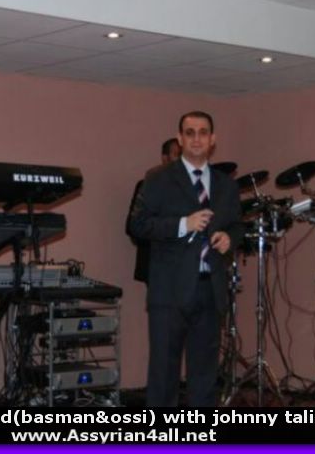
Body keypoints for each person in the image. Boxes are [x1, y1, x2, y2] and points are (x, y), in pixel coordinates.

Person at [128, 111, 243, 407]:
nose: (196, 139)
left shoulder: (226, 185)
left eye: (203, 132)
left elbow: (237, 225)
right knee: (164, 376)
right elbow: (138, 225)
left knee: (205, 378)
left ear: (212, 139)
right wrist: (183, 224)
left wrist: (230, 238)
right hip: (169, 291)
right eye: (190, 133)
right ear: (180, 139)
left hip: (210, 290)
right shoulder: (158, 178)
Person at [126, 138, 181, 284]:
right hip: (157, 265)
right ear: (165, 158)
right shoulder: (148, 185)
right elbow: (132, 228)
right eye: (177, 154)